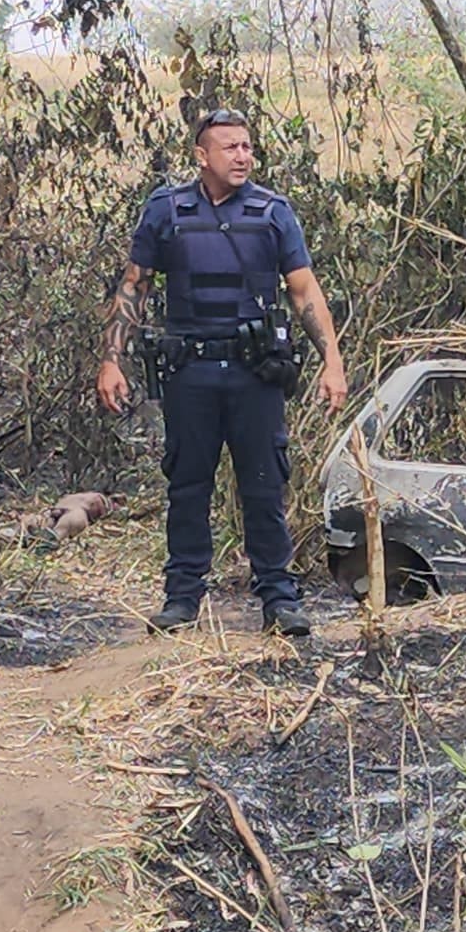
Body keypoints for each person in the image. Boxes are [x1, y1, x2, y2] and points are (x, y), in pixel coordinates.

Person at [96, 108, 350, 634]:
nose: (242, 156)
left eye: (248, 147)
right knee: (187, 485)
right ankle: (182, 597)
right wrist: (111, 360)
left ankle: (279, 600)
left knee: (263, 484)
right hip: (190, 373)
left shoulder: (272, 212)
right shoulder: (167, 210)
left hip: (254, 375)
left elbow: (303, 290)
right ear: (201, 156)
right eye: (230, 147)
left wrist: (332, 360)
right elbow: (134, 285)